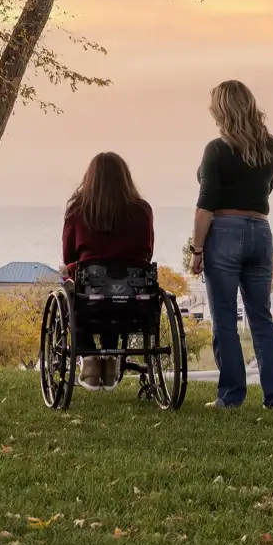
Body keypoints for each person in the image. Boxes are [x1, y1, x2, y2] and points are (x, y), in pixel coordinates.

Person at [189, 80, 273, 409]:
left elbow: (205, 206)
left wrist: (197, 250)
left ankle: (231, 397)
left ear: (221, 110)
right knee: (261, 317)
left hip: (225, 232)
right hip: (261, 232)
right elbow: (267, 190)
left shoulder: (216, 149)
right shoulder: (271, 147)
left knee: (225, 319)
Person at [63, 152, 154, 392]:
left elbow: (68, 256)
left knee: (76, 287)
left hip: (91, 294)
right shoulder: (142, 210)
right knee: (118, 289)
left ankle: (90, 358)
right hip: (132, 299)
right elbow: (147, 252)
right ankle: (112, 357)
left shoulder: (77, 211)